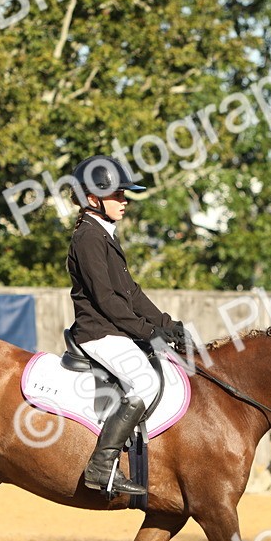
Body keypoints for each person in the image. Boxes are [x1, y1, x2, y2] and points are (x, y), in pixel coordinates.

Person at [66, 154, 191, 496]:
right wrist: (149, 333)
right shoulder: (88, 238)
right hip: (97, 332)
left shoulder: (104, 233)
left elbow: (131, 292)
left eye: (125, 194)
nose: (125, 201)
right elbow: (107, 300)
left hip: (113, 329)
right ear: (93, 199)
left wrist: (168, 324)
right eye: (117, 195)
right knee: (145, 380)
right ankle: (101, 466)